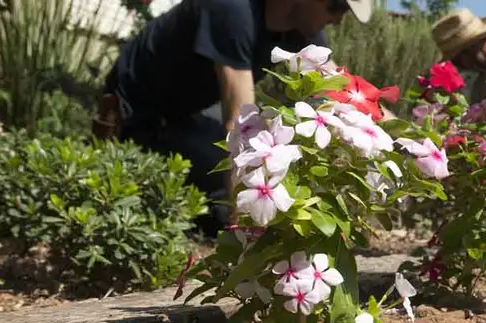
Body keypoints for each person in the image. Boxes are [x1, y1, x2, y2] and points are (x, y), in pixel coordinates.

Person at [92, 0, 375, 238]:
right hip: (140, 119)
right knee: (227, 197)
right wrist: (245, 236)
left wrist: (405, 138)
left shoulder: (303, 31)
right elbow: (240, 124)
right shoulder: (232, 9)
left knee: (258, 182)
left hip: (189, 113)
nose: (338, 19)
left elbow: (344, 90)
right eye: (337, 5)